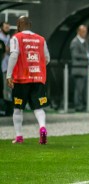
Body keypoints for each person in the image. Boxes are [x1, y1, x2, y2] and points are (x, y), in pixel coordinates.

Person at [6, 16, 50, 144]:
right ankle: (42, 127)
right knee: (38, 107)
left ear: (18, 25)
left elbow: (14, 55)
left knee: (18, 108)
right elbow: (47, 58)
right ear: (30, 25)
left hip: (21, 79)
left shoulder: (16, 38)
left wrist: (9, 75)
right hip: (38, 78)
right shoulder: (41, 39)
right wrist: (37, 67)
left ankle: (19, 136)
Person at [70, 25, 89, 112]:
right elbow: (75, 55)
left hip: (85, 70)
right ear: (78, 31)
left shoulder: (85, 42)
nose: (85, 33)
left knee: (83, 89)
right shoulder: (74, 42)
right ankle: (78, 106)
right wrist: (88, 56)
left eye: (85, 31)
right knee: (79, 89)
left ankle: (83, 105)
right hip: (78, 70)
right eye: (83, 31)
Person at [0, 21, 13, 116]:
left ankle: (8, 108)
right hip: (2, 65)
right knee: (4, 87)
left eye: (8, 27)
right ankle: (4, 108)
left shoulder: (9, 37)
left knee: (8, 87)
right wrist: (6, 49)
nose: (7, 28)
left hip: (8, 66)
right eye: (6, 27)